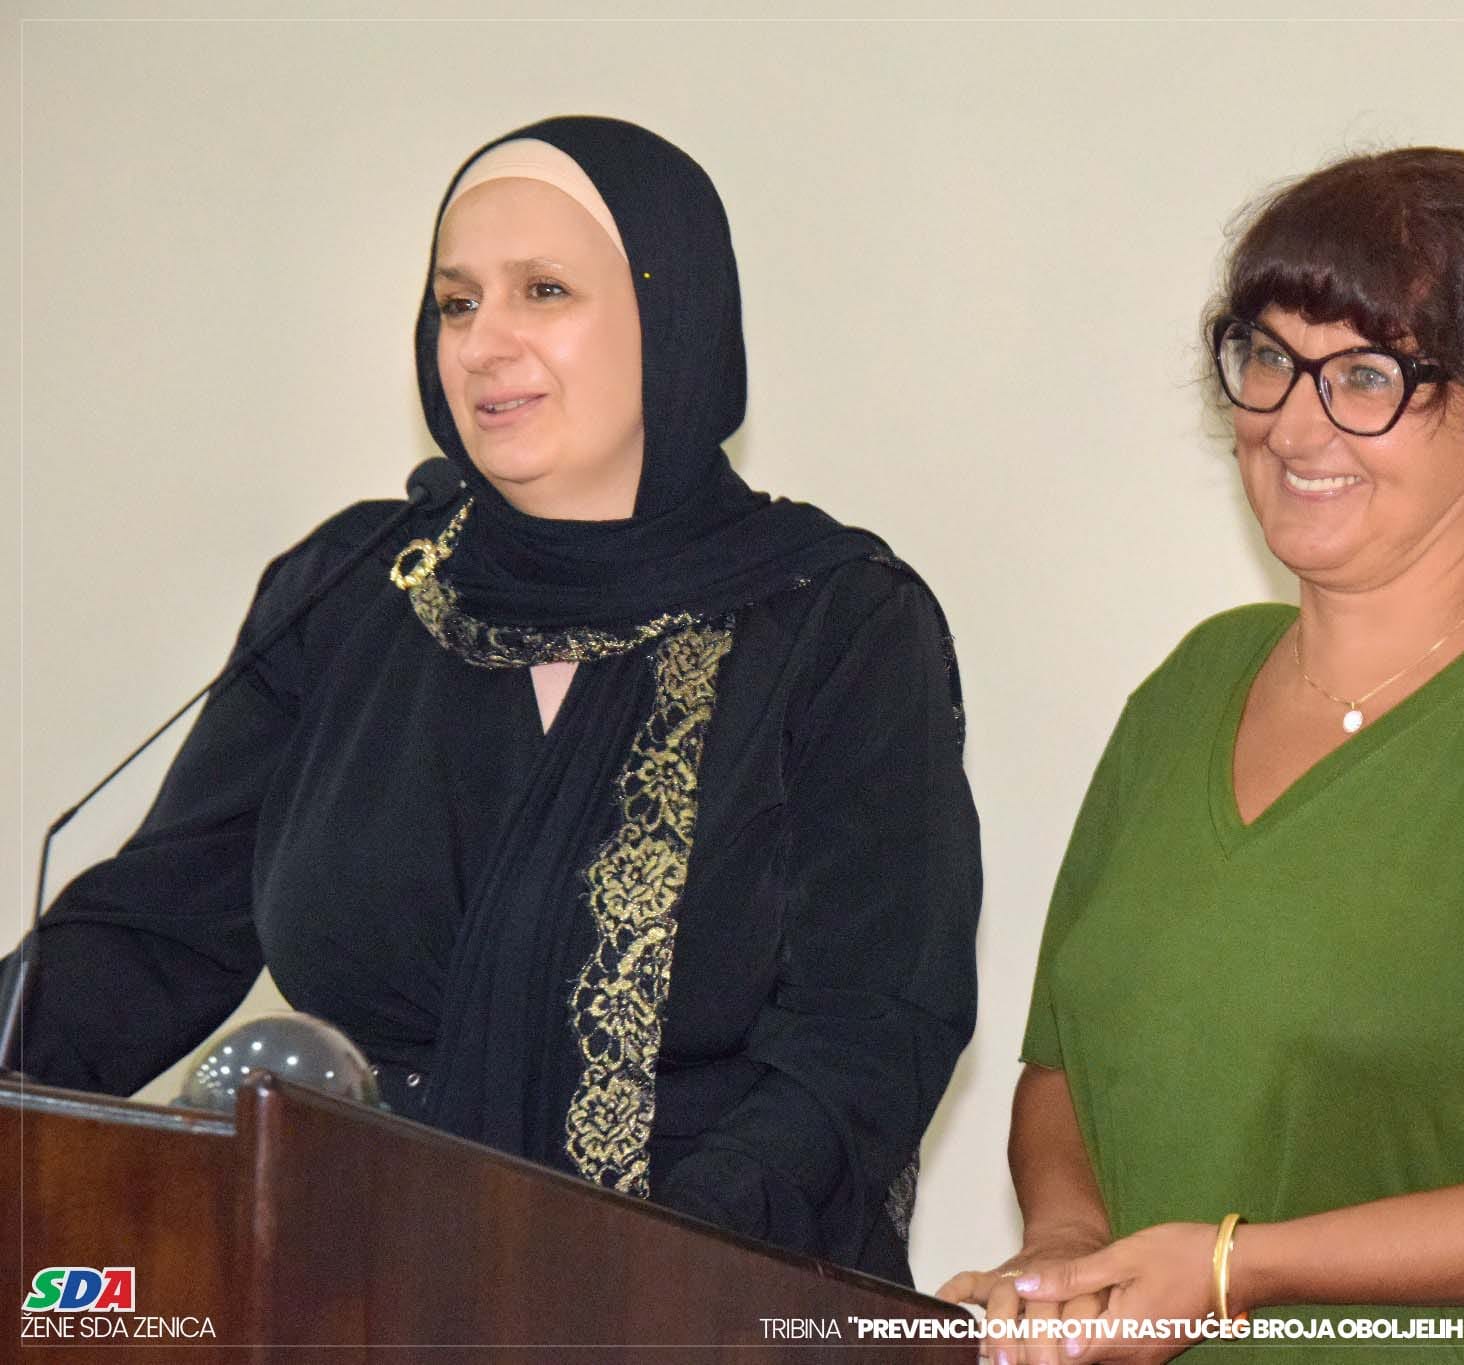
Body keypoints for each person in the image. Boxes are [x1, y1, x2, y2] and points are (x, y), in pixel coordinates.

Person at [3, 115, 980, 1286]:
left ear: (673, 317)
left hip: (697, 1296)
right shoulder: (356, 590)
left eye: (543, 291)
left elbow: (870, 1030)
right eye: (456, 303)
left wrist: (631, 1267)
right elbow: (151, 936)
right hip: (352, 1285)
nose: (482, 344)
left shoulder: (833, 621)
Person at [941, 148, 1464, 1361]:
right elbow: (1064, 1069)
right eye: (1267, 359)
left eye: (1366, 376)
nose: (1291, 423)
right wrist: (1066, 1249)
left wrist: (1241, 1267)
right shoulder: (1188, 690)